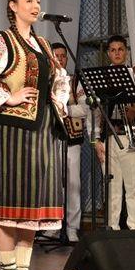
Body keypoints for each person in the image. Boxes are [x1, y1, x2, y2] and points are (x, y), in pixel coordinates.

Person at [0, 0, 69, 270]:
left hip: (44, 128)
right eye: (29, 1)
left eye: (38, 1)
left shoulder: (43, 43)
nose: (36, 6)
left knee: (34, 202)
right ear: (13, 6)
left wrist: (57, 103)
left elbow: (60, 79)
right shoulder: (4, 40)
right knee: (14, 199)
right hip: (16, 128)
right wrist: (6, 98)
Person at [93, 35, 135, 231]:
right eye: (113, 50)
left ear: (126, 52)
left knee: (133, 187)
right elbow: (96, 111)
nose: (117, 53)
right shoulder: (101, 77)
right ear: (108, 53)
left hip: (132, 134)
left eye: (121, 49)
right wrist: (96, 139)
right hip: (109, 136)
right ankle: (112, 228)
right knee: (112, 187)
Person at [50, 42, 87, 242]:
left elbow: (85, 109)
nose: (60, 59)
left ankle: (72, 228)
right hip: (50, 139)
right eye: (56, 56)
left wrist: (64, 110)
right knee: (52, 185)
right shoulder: (46, 81)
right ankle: (53, 227)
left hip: (72, 139)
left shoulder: (75, 82)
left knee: (73, 185)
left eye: (63, 56)